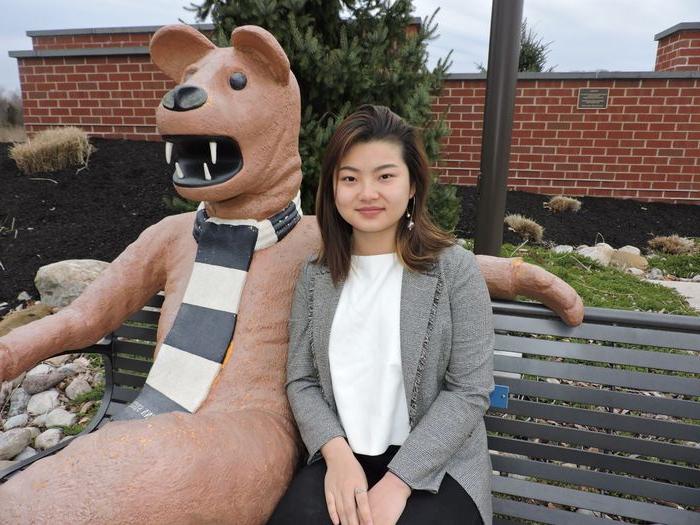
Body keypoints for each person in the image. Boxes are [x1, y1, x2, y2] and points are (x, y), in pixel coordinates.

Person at [268, 105, 494, 525]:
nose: (367, 193)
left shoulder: (453, 270)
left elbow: (469, 390)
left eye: (385, 176)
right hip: (342, 456)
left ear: (412, 186)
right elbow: (302, 381)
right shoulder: (316, 277)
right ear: (333, 189)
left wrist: (398, 482)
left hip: (436, 464)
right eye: (350, 178)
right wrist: (336, 456)